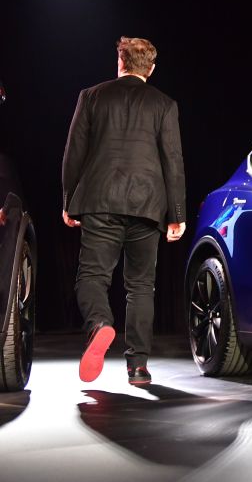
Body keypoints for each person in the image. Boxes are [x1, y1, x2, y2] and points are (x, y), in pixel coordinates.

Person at [62, 36, 186, 385]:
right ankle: (138, 366)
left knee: (92, 276)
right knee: (141, 286)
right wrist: (177, 214)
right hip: (148, 204)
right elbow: (173, 161)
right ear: (151, 68)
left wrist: (69, 201)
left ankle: (100, 323)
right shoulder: (164, 104)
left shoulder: (91, 96)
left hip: (99, 200)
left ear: (120, 62)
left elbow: (74, 153)